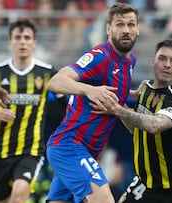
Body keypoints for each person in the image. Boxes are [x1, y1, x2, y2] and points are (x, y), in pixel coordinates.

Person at [45, 2, 140, 203]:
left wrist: (133, 94)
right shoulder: (100, 56)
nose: (126, 30)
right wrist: (89, 90)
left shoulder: (130, 59)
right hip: (70, 146)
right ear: (108, 29)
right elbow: (56, 81)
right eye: (120, 24)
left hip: (85, 151)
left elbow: (112, 89)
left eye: (131, 25)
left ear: (137, 29)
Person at [94, 38, 172, 203]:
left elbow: (154, 125)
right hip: (146, 184)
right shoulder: (145, 89)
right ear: (153, 62)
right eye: (162, 58)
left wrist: (117, 109)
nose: (167, 64)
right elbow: (136, 128)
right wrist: (117, 102)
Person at [0, 18, 68, 203]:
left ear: (34, 42)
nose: (22, 41)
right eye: (18, 37)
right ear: (10, 42)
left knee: (18, 197)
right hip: (0, 152)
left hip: (30, 152)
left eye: (27, 37)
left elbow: (68, 105)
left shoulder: (47, 72)